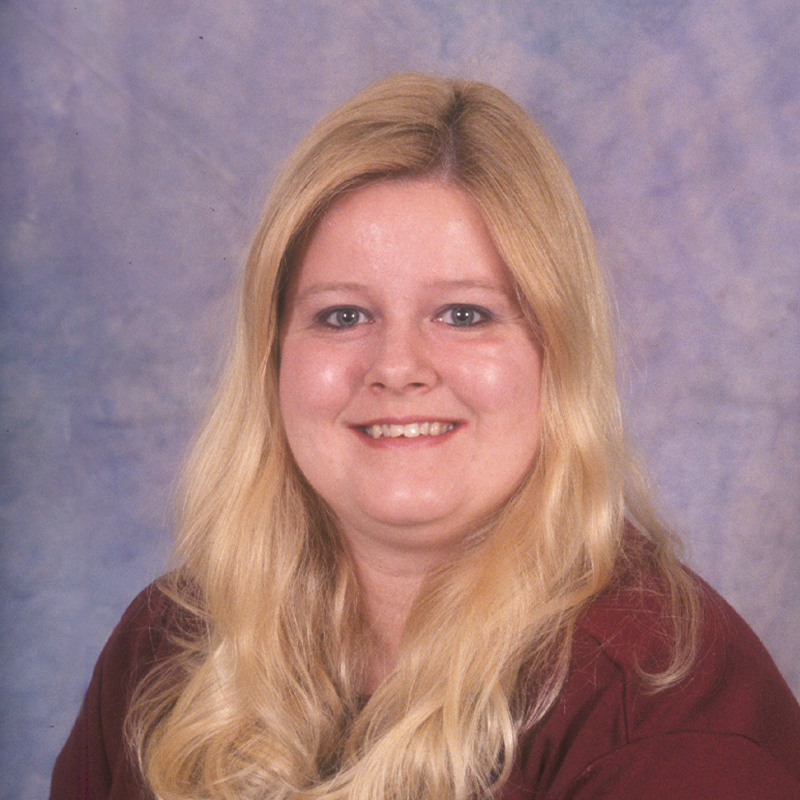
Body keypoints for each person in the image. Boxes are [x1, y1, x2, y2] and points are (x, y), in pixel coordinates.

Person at [51, 73, 800, 800]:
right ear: (273, 357)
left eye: (464, 314)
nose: (397, 367)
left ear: (556, 354)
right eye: (343, 315)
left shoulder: (667, 709)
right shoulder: (170, 645)